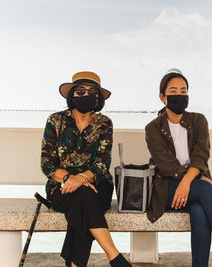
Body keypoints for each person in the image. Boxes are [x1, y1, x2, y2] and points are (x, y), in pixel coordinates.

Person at [145, 69, 212, 267]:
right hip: (167, 189)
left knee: (200, 212)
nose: (179, 95)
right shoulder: (153, 128)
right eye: (173, 91)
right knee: (204, 190)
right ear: (162, 97)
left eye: (183, 90)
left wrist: (188, 182)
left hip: (194, 188)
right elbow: (168, 166)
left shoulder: (198, 121)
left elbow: (201, 157)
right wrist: (203, 182)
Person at [41, 71, 131, 267]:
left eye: (92, 92)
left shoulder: (104, 123)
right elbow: (47, 163)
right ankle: (115, 257)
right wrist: (68, 180)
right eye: (80, 91)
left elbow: (102, 163)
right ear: (72, 94)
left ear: (98, 98)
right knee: (83, 198)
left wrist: (81, 178)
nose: (86, 96)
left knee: (83, 200)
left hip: (98, 185)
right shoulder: (55, 121)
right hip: (60, 187)